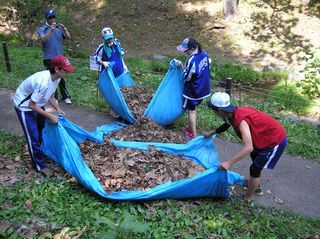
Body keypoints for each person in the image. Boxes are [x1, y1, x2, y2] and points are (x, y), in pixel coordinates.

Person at [205, 92, 287, 202]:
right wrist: (211, 132)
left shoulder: (241, 120)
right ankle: (256, 186)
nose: (214, 113)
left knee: (255, 168)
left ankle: (248, 198)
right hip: (260, 139)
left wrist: (228, 162)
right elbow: (227, 125)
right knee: (256, 163)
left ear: (219, 110)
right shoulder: (232, 113)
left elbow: (248, 148)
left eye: (214, 110)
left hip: (273, 141)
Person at [13, 56, 75, 175]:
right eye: (66, 70)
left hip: (37, 104)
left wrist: (57, 109)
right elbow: (31, 105)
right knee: (33, 137)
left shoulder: (56, 78)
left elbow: (51, 96)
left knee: (41, 130)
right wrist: (50, 116)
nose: (68, 72)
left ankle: (40, 154)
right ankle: (39, 166)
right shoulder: (43, 82)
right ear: (57, 69)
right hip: (24, 107)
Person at [175, 37, 211, 139]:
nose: (185, 52)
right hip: (204, 88)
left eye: (186, 50)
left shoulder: (192, 60)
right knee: (193, 109)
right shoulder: (203, 53)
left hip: (194, 90)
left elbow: (187, 76)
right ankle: (190, 128)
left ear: (192, 48)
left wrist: (181, 66)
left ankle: (193, 134)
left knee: (192, 110)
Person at [37, 8, 72, 104]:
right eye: (50, 18)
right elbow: (44, 39)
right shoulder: (42, 29)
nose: (52, 19)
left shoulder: (59, 28)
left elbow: (69, 37)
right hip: (48, 57)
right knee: (51, 78)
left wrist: (64, 28)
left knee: (61, 78)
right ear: (47, 19)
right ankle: (54, 97)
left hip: (59, 57)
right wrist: (51, 30)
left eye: (53, 17)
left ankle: (65, 97)